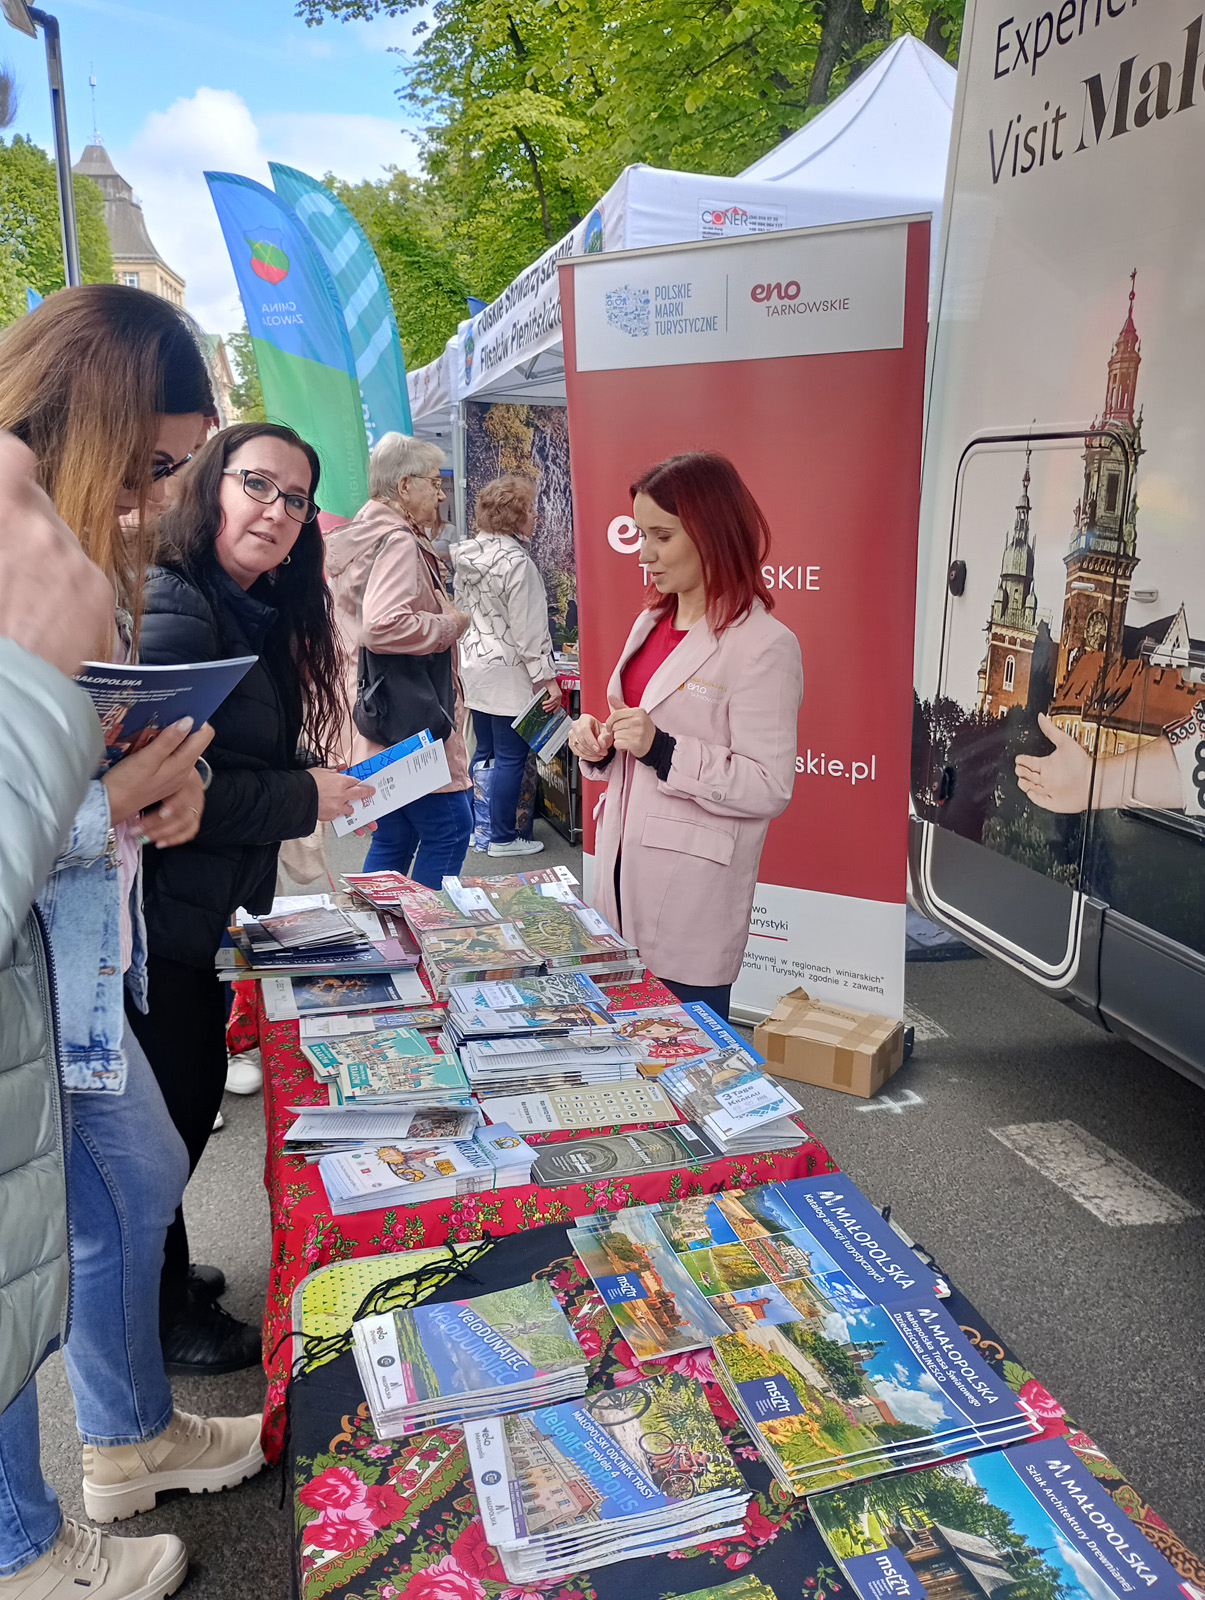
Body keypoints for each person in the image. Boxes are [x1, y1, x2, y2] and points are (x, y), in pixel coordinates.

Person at [0, 286, 264, 1600]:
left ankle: (126, 1435)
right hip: (36, 967)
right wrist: (104, 802)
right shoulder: (28, 560)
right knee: (20, 1256)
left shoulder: (68, 553)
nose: (158, 501)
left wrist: (161, 788)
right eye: (156, 465)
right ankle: (24, 1540)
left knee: (134, 1184)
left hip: (71, 967)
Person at [128, 423, 372, 1374]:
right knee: (168, 1123)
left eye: (295, 499)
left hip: (196, 915)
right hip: (157, 922)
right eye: (257, 485)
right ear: (210, 483)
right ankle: (157, 1322)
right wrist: (303, 793)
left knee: (175, 1114)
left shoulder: (242, 601)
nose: (275, 511)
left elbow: (228, 755)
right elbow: (164, 799)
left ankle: (164, 1282)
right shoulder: (178, 603)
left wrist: (301, 770)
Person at [568, 452, 803, 1022]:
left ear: (711, 532)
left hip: (691, 896)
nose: (643, 553)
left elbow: (769, 784)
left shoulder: (764, 645)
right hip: (618, 873)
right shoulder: (648, 623)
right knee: (617, 1046)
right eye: (640, 534)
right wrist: (601, 745)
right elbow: (635, 735)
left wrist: (664, 749)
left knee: (682, 1053)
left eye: (662, 536)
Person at [327, 432, 474, 887]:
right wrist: (448, 626)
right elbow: (382, 625)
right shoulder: (397, 540)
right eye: (435, 482)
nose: (441, 494)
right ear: (405, 486)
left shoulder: (357, 536)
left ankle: (381, 928)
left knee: (395, 834)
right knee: (451, 828)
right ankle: (423, 927)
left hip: (373, 712)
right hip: (409, 716)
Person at [452, 474, 561, 857]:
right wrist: (547, 679)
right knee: (511, 757)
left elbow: (461, 612)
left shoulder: (466, 557)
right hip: (510, 669)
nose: (535, 516)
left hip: (474, 664)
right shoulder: (517, 563)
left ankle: (478, 829)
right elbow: (530, 631)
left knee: (484, 750)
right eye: (530, 509)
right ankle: (502, 838)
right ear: (514, 515)